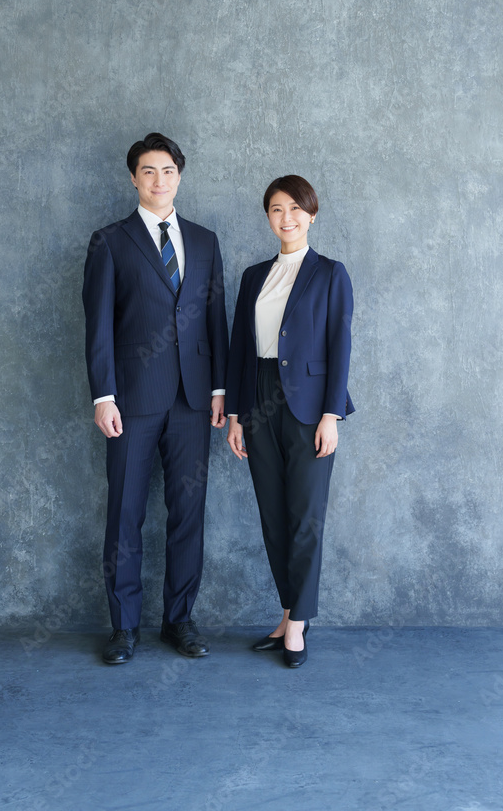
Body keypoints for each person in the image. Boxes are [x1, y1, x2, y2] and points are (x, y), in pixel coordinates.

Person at [82, 132, 228, 664]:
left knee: (188, 513)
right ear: (133, 178)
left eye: (167, 171)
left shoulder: (205, 241)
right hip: (132, 400)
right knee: (125, 512)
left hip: (193, 400)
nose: (158, 180)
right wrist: (103, 396)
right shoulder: (109, 242)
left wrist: (219, 390)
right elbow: (98, 325)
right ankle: (123, 627)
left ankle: (178, 620)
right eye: (148, 171)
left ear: (179, 177)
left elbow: (215, 319)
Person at [226, 175, 354, 667]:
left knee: (305, 517)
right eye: (278, 209)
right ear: (268, 217)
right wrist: (236, 414)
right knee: (274, 517)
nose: (287, 218)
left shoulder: (330, 274)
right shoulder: (253, 276)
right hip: (258, 396)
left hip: (309, 405)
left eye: (297, 209)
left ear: (312, 215)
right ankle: (286, 613)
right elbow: (240, 348)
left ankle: (298, 623)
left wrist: (331, 415)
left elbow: (340, 347)